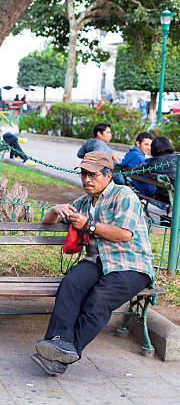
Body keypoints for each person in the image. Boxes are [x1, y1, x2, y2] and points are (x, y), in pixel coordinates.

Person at [32, 151, 154, 377]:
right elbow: (46, 221)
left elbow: (124, 234)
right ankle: (58, 342)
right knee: (71, 283)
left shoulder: (123, 195)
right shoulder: (84, 201)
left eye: (93, 175)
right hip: (98, 262)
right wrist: (55, 209)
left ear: (108, 176)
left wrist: (89, 225)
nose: (87, 180)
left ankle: (61, 355)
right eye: (83, 174)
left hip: (131, 264)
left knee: (98, 299)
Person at [133, 136, 176, 201]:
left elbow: (136, 169)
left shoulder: (151, 162)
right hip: (176, 195)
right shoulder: (177, 157)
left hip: (164, 197)